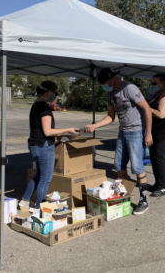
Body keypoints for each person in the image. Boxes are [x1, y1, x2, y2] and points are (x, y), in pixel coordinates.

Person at [84, 68, 153, 215]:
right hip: (122, 132)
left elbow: (147, 109)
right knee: (119, 165)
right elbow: (111, 116)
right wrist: (94, 125)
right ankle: (124, 197)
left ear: (112, 78)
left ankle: (143, 201)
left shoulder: (129, 88)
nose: (104, 86)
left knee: (137, 167)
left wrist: (148, 133)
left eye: (104, 83)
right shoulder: (110, 93)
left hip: (136, 132)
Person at [19, 81, 79, 211]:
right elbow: (47, 131)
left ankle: (25, 200)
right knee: (45, 179)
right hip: (43, 146)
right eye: (55, 92)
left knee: (40, 175)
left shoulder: (36, 105)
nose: (56, 95)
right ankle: (40, 209)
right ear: (47, 92)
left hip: (35, 144)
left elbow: (37, 128)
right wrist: (67, 129)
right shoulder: (44, 108)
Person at [147, 74, 165, 197]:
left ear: (163, 83)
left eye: (155, 83)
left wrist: (147, 108)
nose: (152, 86)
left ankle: (164, 187)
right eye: (151, 83)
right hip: (156, 130)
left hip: (164, 131)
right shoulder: (157, 94)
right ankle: (158, 183)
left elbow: (161, 114)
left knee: (158, 156)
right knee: (153, 156)